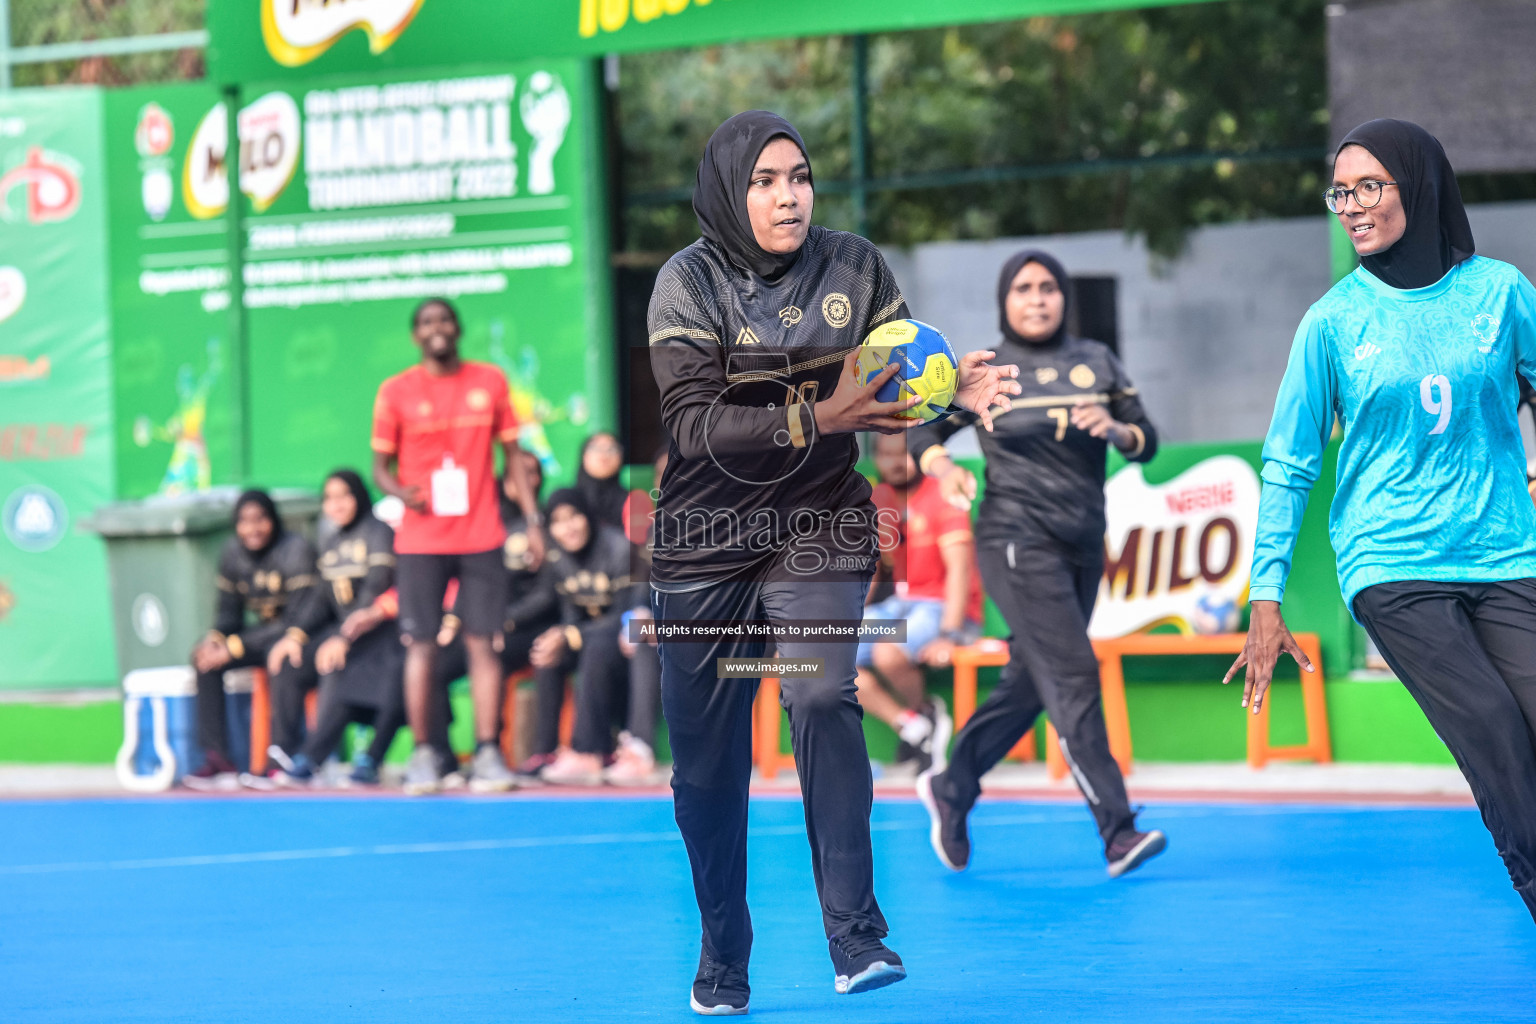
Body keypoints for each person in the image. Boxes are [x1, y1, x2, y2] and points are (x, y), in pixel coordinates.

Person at [646, 110, 1019, 1012]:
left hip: (822, 522)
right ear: (731, 193)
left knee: (819, 690)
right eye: (766, 180)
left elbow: (894, 389)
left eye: (800, 175)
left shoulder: (855, 264)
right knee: (706, 769)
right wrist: (822, 413)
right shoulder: (685, 283)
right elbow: (692, 425)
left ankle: (857, 937)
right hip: (705, 541)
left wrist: (947, 413)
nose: (788, 194)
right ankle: (723, 950)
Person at [1228, 119, 1536, 925]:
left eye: (1370, 186)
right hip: (1392, 565)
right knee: (1499, 738)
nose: (1352, 206)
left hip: (1505, 552)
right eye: (1341, 192)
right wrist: (1267, 598)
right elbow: (1289, 466)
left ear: (1419, 185)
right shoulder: (1332, 322)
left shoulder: (1501, 293)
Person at [914, 249, 1167, 880]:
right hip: (1012, 538)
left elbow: (1146, 441)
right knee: (1075, 672)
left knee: (1032, 681)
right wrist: (943, 468)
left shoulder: (1096, 361)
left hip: (1083, 542)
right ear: (1005, 300)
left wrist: (1113, 427)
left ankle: (952, 784)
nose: (1037, 298)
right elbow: (919, 432)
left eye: (1048, 287)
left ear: (1063, 296)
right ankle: (1117, 830)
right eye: (1023, 288)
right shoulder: (985, 369)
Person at [371, 297, 543, 795]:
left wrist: (533, 523)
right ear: (415, 336)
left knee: (482, 643)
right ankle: (425, 754)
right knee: (420, 646)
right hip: (421, 540)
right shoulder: (395, 391)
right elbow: (379, 467)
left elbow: (513, 457)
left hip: (482, 535)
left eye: (444, 320)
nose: (437, 329)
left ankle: (488, 752)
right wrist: (400, 491)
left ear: (457, 328)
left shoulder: (489, 381)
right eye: (426, 322)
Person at [264, 471, 405, 787]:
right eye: (329, 497)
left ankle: (314, 758)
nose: (336, 504)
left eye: (343, 495)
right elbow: (320, 599)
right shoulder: (330, 540)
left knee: (335, 661)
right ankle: (283, 756)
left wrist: (343, 637)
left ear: (358, 496)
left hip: (379, 633)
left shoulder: (378, 532)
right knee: (289, 661)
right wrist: (295, 636)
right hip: (342, 633)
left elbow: (375, 589)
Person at [853, 432, 976, 774]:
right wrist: (855, 612)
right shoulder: (878, 499)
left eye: (903, 454)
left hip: (942, 606)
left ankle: (923, 712)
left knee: (887, 652)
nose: (895, 462)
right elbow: (871, 566)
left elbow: (960, 569)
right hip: (899, 606)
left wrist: (950, 633)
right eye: (886, 454)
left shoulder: (942, 492)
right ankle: (912, 724)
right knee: (825, 654)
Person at [434, 451, 561, 778]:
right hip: (485, 623)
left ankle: (489, 752)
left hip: (529, 626)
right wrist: (453, 620)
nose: (525, 481)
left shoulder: (550, 524)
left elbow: (548, 593)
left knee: (490, 657)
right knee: (433, 664)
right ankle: (443, 757)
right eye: (517, 475)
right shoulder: (489, 526)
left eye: (532, 474)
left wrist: (505, 621)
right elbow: (469, 581)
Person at [184, 490, 319, 791]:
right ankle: (219, 760)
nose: (253, 529)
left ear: (273, 520)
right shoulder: (232, 552)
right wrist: (216, 641)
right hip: (261, 640)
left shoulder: (296, 549)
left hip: (302, 638)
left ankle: (282, 757)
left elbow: (296, 619)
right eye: (244, 522)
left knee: (280, 657)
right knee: (204, 660)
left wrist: (233, 646)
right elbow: (228, 613)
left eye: (260, 520)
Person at [524, 488, 645, 785]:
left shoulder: (619, 549)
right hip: (587, 638)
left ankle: (588, 750)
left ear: (587, 517)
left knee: (593, 646)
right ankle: (546, 750)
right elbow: (569, 614)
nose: (569, 527)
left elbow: (626, 613)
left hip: (625, 641)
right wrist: (562, 634)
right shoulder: (558, 557)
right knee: (547, 650)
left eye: (574, 516)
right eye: (558, 521)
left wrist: (571, 633)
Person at [576, 432, 628, 532]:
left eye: (612, 449)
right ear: (584, 456)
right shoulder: (569, 501)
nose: (604, 455)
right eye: (596, 448)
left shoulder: (632, 500)